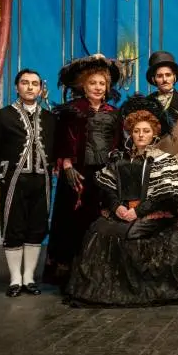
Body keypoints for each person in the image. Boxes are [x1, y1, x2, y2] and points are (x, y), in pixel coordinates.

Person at [65, 96, 178, 307]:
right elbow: (108, 190)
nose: (141, 135)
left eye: (146, 131)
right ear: (130, 133)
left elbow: (166, 197)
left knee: (131, 233)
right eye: (136, 131)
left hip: (151, 215)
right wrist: (117, 207)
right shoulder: (119, 158)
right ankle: (101, 290)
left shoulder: (164, 160)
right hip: (122, 211)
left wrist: (138, 211)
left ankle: (136, 290)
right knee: (98, 230)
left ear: (154, 134)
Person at [43, 54, 123, 289]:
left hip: (104, 175)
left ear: (107, 87)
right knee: (72, 222)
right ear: (83, 86)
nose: (97, 87)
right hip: (77, 174)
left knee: (100, 221)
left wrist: (116, 167)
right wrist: (67, 165)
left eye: (102, 83)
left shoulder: (113, 112)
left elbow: (118, 143)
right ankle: (69, 275)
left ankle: (98, 273)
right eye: (92, 83)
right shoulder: (72, 111)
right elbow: (60, 141)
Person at [0, 69, 56, 297]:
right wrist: (0, 175)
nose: (30, 87)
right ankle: (15, 279)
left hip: (42, 181)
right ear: (17, 87)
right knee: (13, 228)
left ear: (40, 89)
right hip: (14, 181)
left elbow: (55, 147)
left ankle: (29, 278)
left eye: (35, 83)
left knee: (37, 228)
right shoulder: (1, 117)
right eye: (25, 83)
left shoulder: (50, 118)